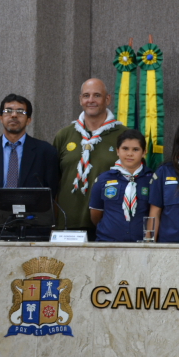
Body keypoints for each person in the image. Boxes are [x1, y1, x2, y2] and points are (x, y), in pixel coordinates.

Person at [0, 94, 59, 232]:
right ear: (0, 118)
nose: (14, 115)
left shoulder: (47, 153)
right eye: (8, 111)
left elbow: (50, 193)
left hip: (34, 227)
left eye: (21, 112)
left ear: (29, 120)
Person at [53, 79, 126, 239]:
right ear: (80, 100)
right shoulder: (64, 135)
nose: (91, 100)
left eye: (97, 95)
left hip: (109, 226)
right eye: (86, 95)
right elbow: (53, 182)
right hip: (67, 225)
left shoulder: (124, 136)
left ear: (107, 99)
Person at [89, 129, 153, 242]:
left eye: (136, 149)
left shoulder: (152, 180)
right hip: (107, 242)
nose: (129, 154)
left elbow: (155, 213)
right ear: (117, 151)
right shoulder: (103, 179)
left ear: (144, 152)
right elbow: (96, 215)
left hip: (141, 244)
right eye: (125, 149)